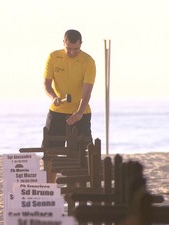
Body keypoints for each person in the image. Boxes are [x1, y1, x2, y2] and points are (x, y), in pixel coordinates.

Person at [43, 29, 96, 183]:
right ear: (64, 43)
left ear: (81, 45)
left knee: (81, 152)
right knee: (51, 152)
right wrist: (54, 97)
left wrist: (79, 112)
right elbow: (46, 84)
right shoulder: (54, 56)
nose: (72, 52)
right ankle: (49, 189)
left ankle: (79, 189)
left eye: (76, 49)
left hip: (81, 113)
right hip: (57, 112)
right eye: (69, 49)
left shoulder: (88, 61)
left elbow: (87, 91)